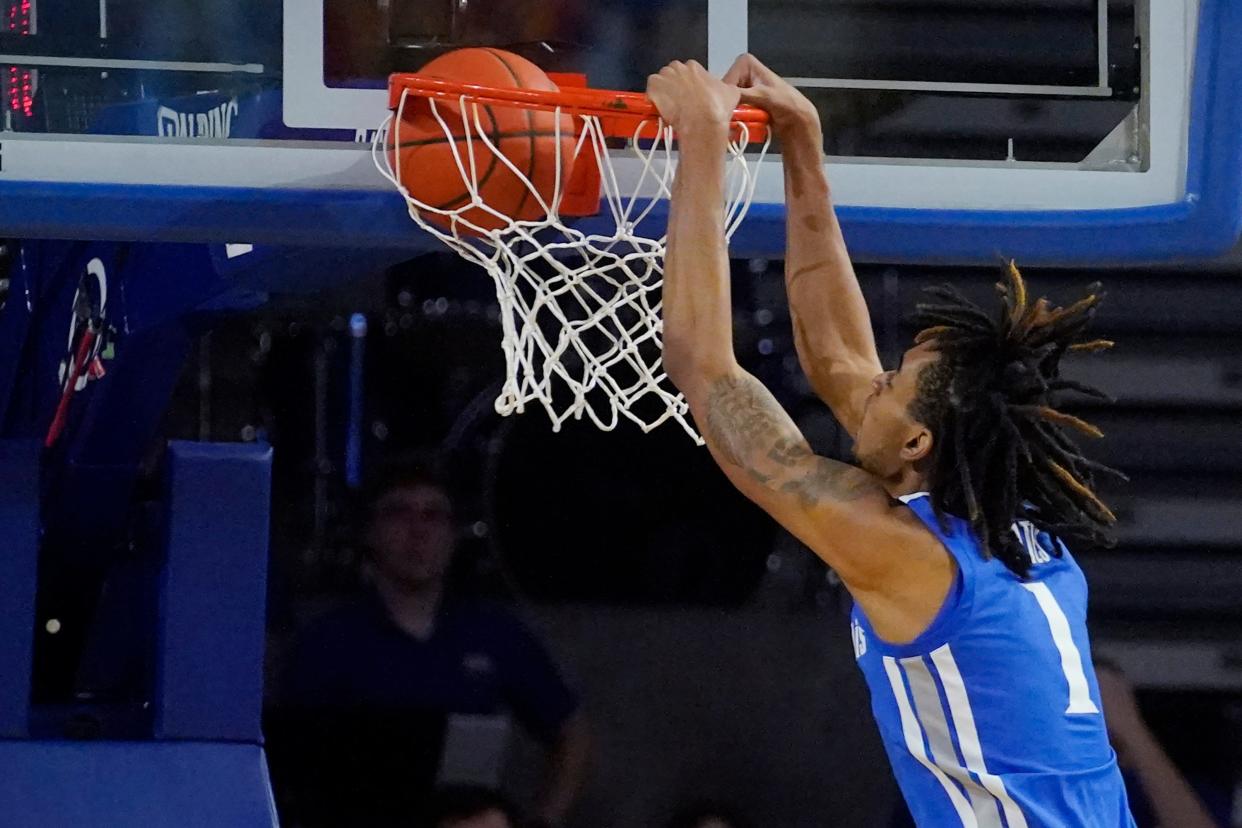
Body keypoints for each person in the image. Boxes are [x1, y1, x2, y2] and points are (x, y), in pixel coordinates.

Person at [646, 54, 1136, 826]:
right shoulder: (1012, 528)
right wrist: (802, 146)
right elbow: (837, 356)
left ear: (916, 444)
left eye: (889, 384)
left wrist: (704, 141)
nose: (867, 380)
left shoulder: (910, 555)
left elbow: (701, 366)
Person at [274, 460, 589, 828]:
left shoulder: (494, 633)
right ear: (369, 532)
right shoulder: (325, 641)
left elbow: (572, 733)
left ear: (454, 535)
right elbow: (292, 762)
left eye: (434, 515)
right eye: (399, 513)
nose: (417, 531)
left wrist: (543, 821)